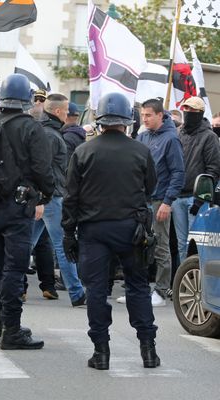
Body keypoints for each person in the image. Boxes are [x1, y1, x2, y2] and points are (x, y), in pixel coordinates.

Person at [62, 92, 159, 370]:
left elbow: (71, 197)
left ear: (100, 120)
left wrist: (69, 233)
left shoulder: (84, 151)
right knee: (138, 287)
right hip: (131, 228)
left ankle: (101, 352)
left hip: (94, 230)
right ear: (128, 120)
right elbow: (150, 187)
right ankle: (148, 350)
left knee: (96, 290)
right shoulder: (141, 151)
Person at [0, 73, 54, 349]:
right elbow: (43, 170)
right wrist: (46, 193)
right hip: (19, 206)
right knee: (14, 268)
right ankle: (11, 328)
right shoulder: (32, 128)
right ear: (26, 99)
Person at [116, 98, 184, 307]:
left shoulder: (171, 139)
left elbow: (178, 173)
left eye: (148, 115)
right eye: (142, 115)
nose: (144, 119)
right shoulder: (142, 136)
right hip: (139, 200)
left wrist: (167, 202)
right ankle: (137, 289)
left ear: (159, 115)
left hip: (158, 200)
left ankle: (162, 292)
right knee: (135, 245)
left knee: (161, 247)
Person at [32, 93, 86, 306]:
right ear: (56, 111)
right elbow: (43, 168)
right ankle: (76, 292)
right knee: (63, 245)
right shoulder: (52, 135)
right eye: (65, 110)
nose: (68, 114)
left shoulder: (46, 132)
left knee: (28, 243)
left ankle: (12, 285)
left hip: (46, 197)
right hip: (51, 198)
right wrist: (42, 198)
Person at [174, 97, 220, 262]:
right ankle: (182, 281)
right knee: (180, 244)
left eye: (193, 110)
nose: (188, 113)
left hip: (196, 199)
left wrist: (200, 200)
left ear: (200, 113)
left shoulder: (209, 137)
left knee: (195, 245)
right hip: (177, 197)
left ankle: (199, 281)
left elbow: (213, 170)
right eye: (186, 109)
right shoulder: (178, 133)